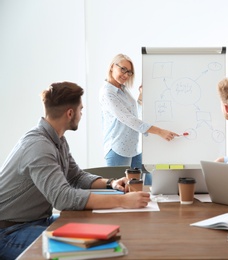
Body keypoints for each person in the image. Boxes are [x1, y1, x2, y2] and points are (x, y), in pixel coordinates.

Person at [0, 82, 151, 260]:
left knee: (100, 229)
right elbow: (63, 198)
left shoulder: (58, 140)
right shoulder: (39, 146)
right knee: (90, 250)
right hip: (9, 231)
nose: (81, 114)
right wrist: (123, 201)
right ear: (70, 113)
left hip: (36, 222)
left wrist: (111, 183)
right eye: (81, 109)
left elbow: (76, 176)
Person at [99, 53, 178, 170]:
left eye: (129, 72)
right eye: (123, 69)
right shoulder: (107, 93)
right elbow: (128, 119)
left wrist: (141, 97)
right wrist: (160, 131)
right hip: (118, 148)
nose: (126, 75)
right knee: (122, 187)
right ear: (112, 67)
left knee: (145, 184)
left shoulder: (124, 90)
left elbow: (135, 113)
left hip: (134, 148)